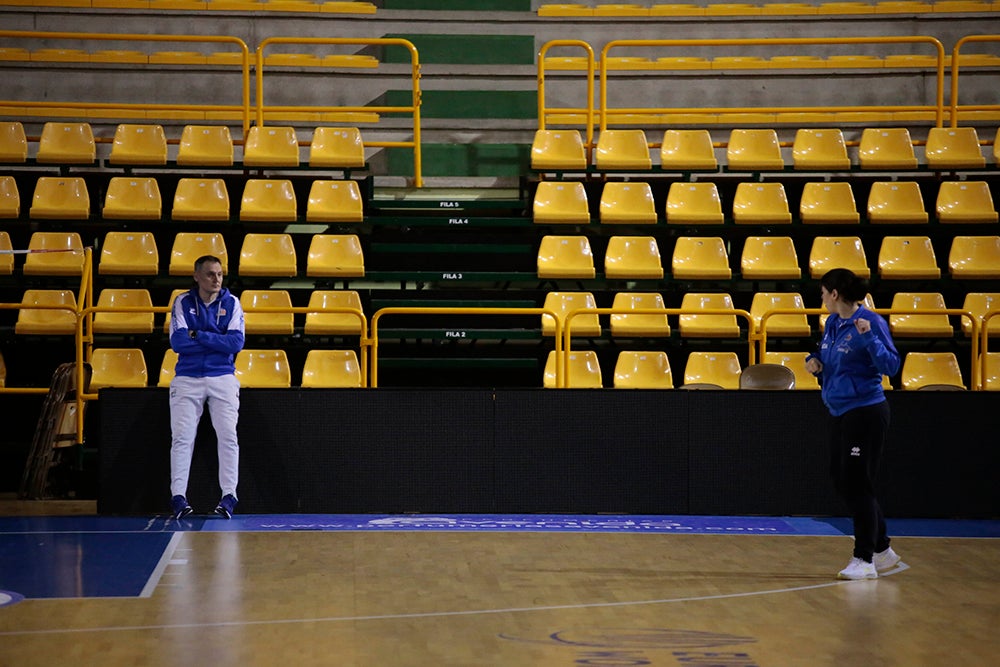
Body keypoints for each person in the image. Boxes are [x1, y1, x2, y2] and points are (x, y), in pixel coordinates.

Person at [805, 268, 902, 580]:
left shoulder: (871, 323)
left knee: (858, 483)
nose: (821, 299)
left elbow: (891, 366)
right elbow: (827, 354)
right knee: (841, 479)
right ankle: (883, 549)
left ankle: (865, 559)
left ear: (835, 294)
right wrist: (815, 361)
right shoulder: (833, 322)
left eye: (823, 293)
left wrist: (868, 337)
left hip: (866, 411)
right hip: (839, 410)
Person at [168, 255, 245, 520]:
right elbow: (178, 342)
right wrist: (216, 339)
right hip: (187, 378)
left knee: (228, 437)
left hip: (223, 377)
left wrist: (197, 334)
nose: (216, 279)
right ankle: (178, 497)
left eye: (220, 274)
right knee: (182, 438)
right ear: (197, 276)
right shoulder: (182, 302)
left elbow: (235, 343)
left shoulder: (232, 302)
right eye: (211, 274)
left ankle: (229, 496)